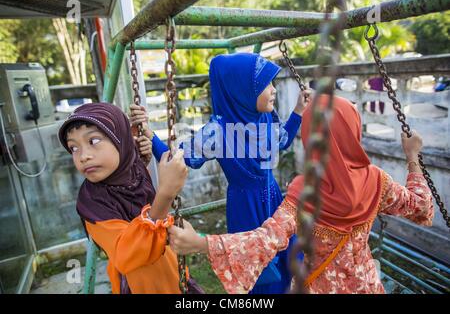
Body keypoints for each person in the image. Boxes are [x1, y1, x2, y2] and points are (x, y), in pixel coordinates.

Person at [168, 95, 433, 294]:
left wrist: (201, 243)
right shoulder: (376, 179)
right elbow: (420, 205)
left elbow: (265, 240)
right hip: (366, 285)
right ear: (353, 132)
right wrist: (412, 156)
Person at [130, 53, 311, 293]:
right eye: (266, 85)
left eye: (273, 83)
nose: (274, 90)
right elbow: (179, 160)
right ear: (242, 91)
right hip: (245, 207)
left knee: (287, 258)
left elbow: (283, 141)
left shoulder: (266, 119)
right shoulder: (219, 131)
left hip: (273, 197)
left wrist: (299, 110)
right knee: (256, 265)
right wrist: (151, 136)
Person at [58, 102, 189, 294]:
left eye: (93, 141)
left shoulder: (133, 170)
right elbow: (128, 253)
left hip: (172, 270)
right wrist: (165, 194)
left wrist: (139, 126)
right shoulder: (91, 204)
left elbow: (132, 145)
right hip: (138, 285)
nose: (83, 156)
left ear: (122, 141)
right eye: (73, 148)